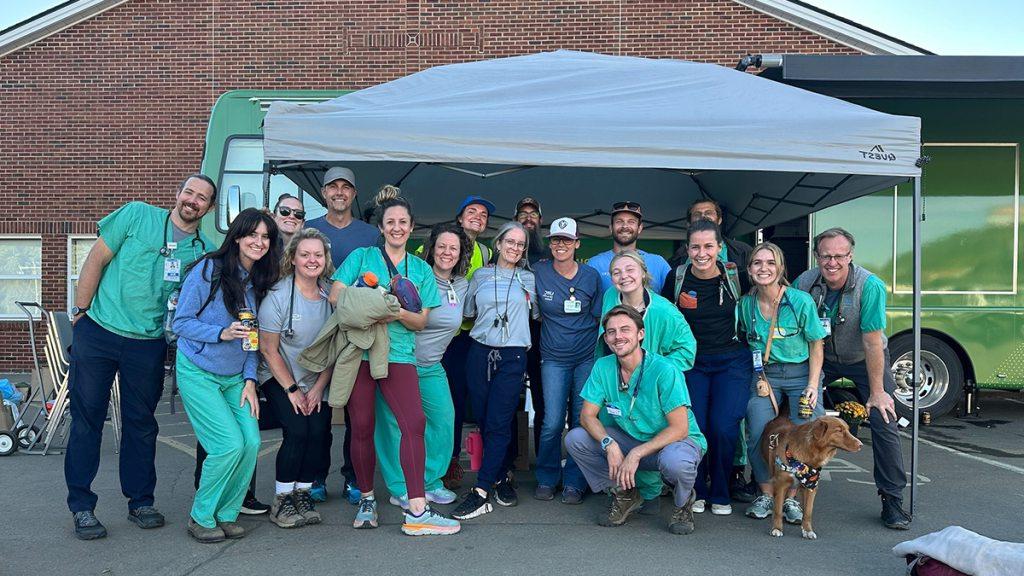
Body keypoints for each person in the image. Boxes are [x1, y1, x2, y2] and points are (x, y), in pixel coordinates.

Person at [65, 174, 215, 540]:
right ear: (178, 194)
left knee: (142, 423)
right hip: (98, 331)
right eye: (189, 192)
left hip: (146, 345)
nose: (192, 200)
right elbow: (96, 259)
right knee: (87, 420)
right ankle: (82, 506)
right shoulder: (136, 216)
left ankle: (140, 502)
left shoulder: (203, 251)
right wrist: (80, 313)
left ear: (209, 208)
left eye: (202, 198)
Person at [329, 186, 459, 536]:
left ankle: (417, 509)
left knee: (414, 423)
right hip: (359, 353)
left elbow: (421, 321)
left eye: (403, 222)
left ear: (411, 226)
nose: (397, 227)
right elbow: (336, 297)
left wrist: (389, 310)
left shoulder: (420, 269)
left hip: (400, 355)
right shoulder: (361, 256)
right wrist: (380, 307)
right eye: (391, 222)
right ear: (382, 227)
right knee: (362, 427)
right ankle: (368, 498)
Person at [172, 208, 280, 542]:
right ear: (236, 236)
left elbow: (252, 341)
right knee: (226, 445)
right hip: (198, 371)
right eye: (253, 235)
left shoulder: (257, 281)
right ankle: (201, 516)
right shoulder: (209, 269)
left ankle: (226, 514)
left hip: (236, 377)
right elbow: (181, 323)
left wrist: (250, 380)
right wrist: (221, 333)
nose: (258, 242)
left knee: (250, 442)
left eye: (265, 237)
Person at [795, 227, 912, 530]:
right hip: (820, 358)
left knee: (884, 417)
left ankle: (892, 498)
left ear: (850, 256)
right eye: (825, 256)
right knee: (803, 411)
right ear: (816, 256)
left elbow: (873, 341)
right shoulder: (805, 283)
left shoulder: (869, 286)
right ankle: (790, 491)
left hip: (864, 357)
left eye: (838, 256)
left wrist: (876, 392)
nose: (831, 262)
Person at [565, 306, 706, 534]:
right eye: (611, 332)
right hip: (632, 439)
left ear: (640, 334)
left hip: (675, 443)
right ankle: (625, 494)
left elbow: (680, 429)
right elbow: (587, 416)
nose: (618, 336)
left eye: (625, 330)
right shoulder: (603, 366)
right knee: (576, 439)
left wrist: (636, 453)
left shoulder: (665, 370)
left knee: (676, 463)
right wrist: (608, 444)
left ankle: (683, 503)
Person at [375, 222, 470, 509]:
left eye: (453, 247)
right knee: (394, 426)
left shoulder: (462, 285)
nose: (447, 252)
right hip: (399, 361)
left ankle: (429, 481)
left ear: (461, 252)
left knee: (443, 420)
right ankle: (400, 486)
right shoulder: (415, 275)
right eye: (441, 246)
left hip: (431, 365)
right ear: (432, 248)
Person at [451, 222, 540, 520]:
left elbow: (536, 315)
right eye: (510, 242)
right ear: (498, 243)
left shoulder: (529, 279)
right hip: (478, 351)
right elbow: (467, 312)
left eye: (520, 244)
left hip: (513, 356)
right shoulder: (480, 275)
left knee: (500, 422)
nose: (515, 247)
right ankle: (501, 476)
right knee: (485, 420)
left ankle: (481, 490)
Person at [305, 166, 380, 504]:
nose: (339, 192)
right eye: (333, 187)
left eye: (346, 187)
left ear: (353, 194)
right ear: (324, 193)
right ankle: (316, 476)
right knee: (319, 408)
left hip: (357, 333)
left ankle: (353, 477)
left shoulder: (369, 235)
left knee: (355, 411)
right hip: (318, 327)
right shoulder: (310, 230)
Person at [599, 249, 697, 507]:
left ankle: (655, 493)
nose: (624, 276)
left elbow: (688, 349)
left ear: (644, 273)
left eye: (630, 270)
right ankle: (626, 490)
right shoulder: (610, 297)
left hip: (653, 388)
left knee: (653, 431)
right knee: (615, 431)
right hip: (619, 382)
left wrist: (656, 370)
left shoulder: (665, 311)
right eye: (616, 272)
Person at [739, 242, 826, 525]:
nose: (763, 268)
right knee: (757, 430)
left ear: (780, 268)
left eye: (770, 263)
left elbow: (816, 344)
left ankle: (790, 499)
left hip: (801, 373)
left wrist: (813, 385)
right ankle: (765, 492)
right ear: (750, 269)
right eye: (757, 263)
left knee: (808, 433)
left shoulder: (800, 301)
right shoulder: (745, 304)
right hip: (765, 375)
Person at [668, 219, 751, 516]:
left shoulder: (737, 276)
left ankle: (721, 489)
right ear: (687, 249)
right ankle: (697, 490)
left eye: (708, 246)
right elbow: (665, 317)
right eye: (695, 247)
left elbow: (770, 296)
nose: (701, 253)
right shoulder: (676, 278)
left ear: (719, 247)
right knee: (695, 426)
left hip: (733, 361)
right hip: (692, 364)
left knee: (724, 426)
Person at [259, 228, 335, 529]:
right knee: (297, 431)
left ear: (326, 259)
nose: (312, 260)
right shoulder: (278, 296)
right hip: (280, 376)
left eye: (318, 254)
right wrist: (292, 389)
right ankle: (282, 501)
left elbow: (335, 347)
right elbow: (268, 349)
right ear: (293, 258)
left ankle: (302, 493)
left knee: (318, 433)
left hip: (317, 378)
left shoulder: (331, 295)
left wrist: (318, 388)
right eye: (305, 254)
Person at [532, 217, 602, 504]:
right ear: (550, 243)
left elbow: (598, 317)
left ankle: (575, 481)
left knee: (579, 421)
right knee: (550, 422)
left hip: (585, 357)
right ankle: (547, 477)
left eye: (567, 240)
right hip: (553, 358)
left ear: (577, 243)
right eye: (556, 240)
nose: (561, 245)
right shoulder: (538, 271)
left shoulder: (590, 276)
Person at [438, 194, 496, 489]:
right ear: (459, 217)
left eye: (483, 214)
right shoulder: (440, 242)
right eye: (471, 211)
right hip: (440, 337)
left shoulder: (486, 253)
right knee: (444, 403)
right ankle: (439, 463)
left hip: (469, 336)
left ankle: (456, 463)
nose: (477, 216)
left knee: (463, 401)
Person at [515, 196, 546, 463]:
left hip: (540, 338)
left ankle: (543, 464)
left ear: (540, 220)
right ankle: (513, 461)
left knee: (542, 399)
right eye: (523, 214)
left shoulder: (549, 255)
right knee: (511, 401)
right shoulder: (507, 254)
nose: (528, 218)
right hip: (511, 337)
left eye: (533, 214)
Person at [587, 201, 672, 293]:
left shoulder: (658, 263)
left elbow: (673, 300)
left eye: (631, 222)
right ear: (611, 228)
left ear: (640, 228)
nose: (625, 226)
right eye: (619, 221)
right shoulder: (595, 264)